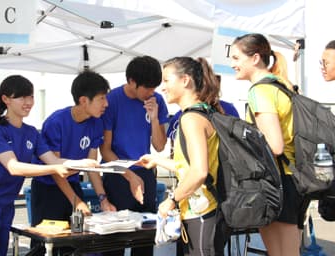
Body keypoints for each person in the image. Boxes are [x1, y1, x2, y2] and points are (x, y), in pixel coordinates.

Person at [0, 75, 99, 256]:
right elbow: (14, 167)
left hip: (6, 206)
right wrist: (54, 168)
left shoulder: (31, 132)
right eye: (22, 97)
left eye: (31, 97)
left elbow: (53, 160)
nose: (28, 102)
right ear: (6, 99)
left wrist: (82, 163)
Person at [230, 33, 308, 256]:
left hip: (276, 181)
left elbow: (274, 146)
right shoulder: (282, 84)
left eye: (236, 58)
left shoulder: (260, 91)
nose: (233, 64)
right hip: (293, 178)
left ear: (255, 58)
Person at [138, 56, 224, 256]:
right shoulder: (204, 112)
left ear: (185, 80)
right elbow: (189, 165)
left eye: (167, 80)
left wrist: (171, 200)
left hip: (203, 211)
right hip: (201, 211)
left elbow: (199, 171)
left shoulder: (191, 119)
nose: (163, 87)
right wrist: (157, 160)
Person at [30, 71, 116, 254]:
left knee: (77, 243)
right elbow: (55, 170)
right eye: (101, 99)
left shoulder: (96, 123)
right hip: (48, 189)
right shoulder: (56, 122)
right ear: (84, 100)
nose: (106, 104)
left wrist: (103, 199)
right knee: (45, 245)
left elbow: (92, 165)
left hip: (73, 185)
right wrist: (76, 201)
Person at [100, 55, 169, 256]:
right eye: (147, 87)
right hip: (117, 174)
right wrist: (128, 175)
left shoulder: (157, 101)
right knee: (116, 240)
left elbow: (159, 145)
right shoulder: (111, 101)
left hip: (146, 171)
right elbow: (105, 149)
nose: (151, 92)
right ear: (131, 81)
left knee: (145, 238)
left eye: (154, 87)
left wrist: (155, 118)